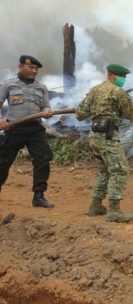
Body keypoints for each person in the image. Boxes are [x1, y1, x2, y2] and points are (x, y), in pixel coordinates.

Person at [76, 64, 133, 222]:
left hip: (94, 136)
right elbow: (131, 115)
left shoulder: (93, 90)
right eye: (122, 77)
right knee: (120, 170)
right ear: (112, 75)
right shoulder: (118, 91)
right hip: (108, 137)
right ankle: (114, 210)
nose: (123, 80)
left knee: (106, 172)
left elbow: (80, 114)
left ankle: (96, 206)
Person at [0, 55, 54, 208]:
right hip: (14, 128)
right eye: (31, 67)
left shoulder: (41, 87)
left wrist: (47, 111)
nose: (34, 71)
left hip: (35, 129)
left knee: (43, 159)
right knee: (3, 162)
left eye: (36, 69)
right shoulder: (8, 85)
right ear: (20, 66)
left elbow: (45, 106)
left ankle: (39, 196)